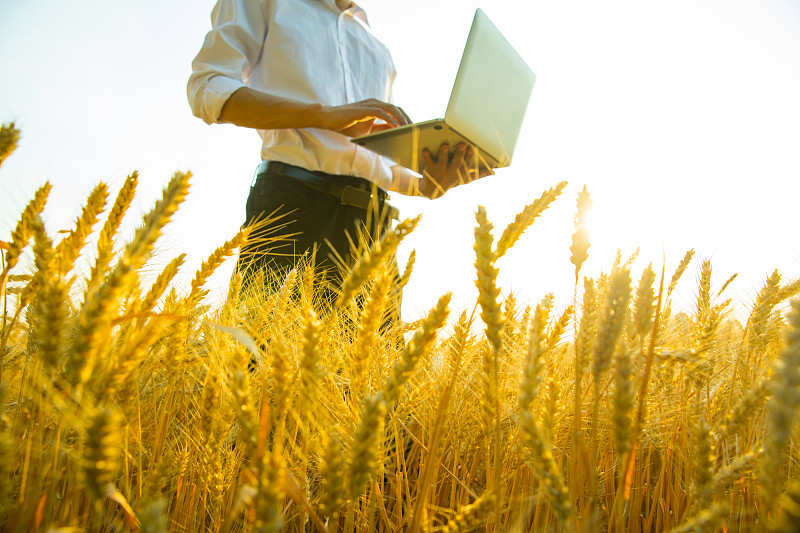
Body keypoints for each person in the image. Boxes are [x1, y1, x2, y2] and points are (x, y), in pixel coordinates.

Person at [187, 0, 490, 305]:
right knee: (263, 350)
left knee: (374, 355)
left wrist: (425, 185)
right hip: (294, 211)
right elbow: (209, 89)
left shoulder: (376, 48)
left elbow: (377, 161)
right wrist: (322, 115)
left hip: (375, 229)